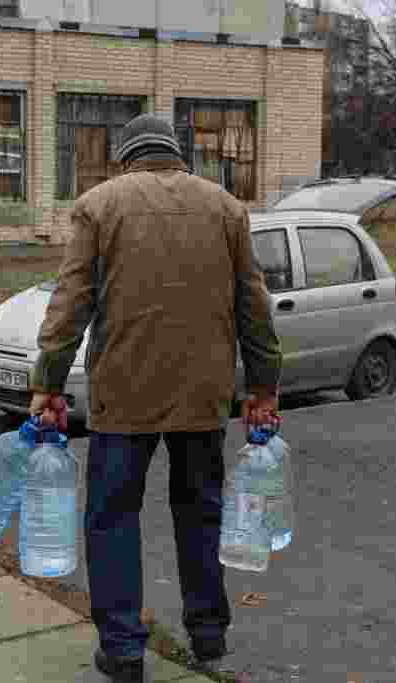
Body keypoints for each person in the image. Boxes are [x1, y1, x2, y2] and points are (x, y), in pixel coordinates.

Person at [27, 113, 283, 682]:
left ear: (126, 158)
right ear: (177, 154)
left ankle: (122, 650)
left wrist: (48, 383)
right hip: (203, 394)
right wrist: (263, 387)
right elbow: (254, 306)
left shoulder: (99, 206)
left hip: (123, 394)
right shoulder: (226, 208)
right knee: (200, 512)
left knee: (113, 517)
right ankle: (209, 635)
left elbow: (71, 303)